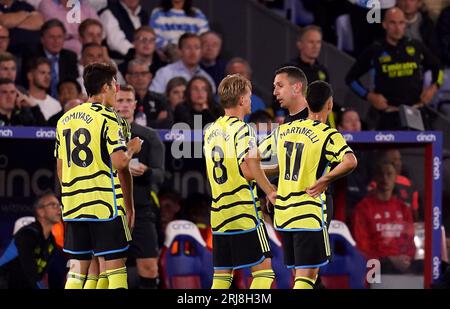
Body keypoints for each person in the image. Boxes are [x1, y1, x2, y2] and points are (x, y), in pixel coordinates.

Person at [259, 80, 357, 289]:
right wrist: (325, 180)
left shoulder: (285, 129)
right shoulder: (328, 134)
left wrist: (268, 188)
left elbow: (251, 161)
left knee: (299, 275)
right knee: (307, 278)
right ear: (329, 105)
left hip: (283, 214)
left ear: (306, 102)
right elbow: (350, 161)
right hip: (308, 212)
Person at [55, 62, 142, 289]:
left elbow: (61, 169)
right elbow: (120, 162)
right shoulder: (108, 118)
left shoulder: (65, 119)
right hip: (104, 205)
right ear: (105, 87)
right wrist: (132, 148)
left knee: (77, 271)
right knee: (115, 267)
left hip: (73, 206)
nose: (117, 90)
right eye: (115, 85)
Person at [203, 74, 277, 289]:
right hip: (243, 209)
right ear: (243, 99)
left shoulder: (211, 131)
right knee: (264, 273)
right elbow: (247, 170)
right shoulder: (243, 129)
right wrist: (271, 184)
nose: (251, 101)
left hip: (219, 211)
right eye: (250, 96)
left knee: (222, 275)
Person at [345, 7, 443, 130]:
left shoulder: (416, 46)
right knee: (390, 149)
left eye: (401, 23)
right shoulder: (375, 50)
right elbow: (350, 79)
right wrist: (369, 96)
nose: (397, 28)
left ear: (405, 24)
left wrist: (433, 89)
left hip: (416, 111)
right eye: (393, 23)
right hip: (387, 114)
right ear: (384, 25)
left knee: (428, 146)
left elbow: (438, 68)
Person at [115, 84, 165, 289]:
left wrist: (147, 171)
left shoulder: (149, 136)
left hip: (142, 210)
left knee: (149, 268)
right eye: (120, 100)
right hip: (111, 209)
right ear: (112, 103)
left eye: (128, 101)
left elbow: (161, 175)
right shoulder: (103, 134)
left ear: (136, 104)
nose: (124, 105)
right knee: (110, 268)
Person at [352, 160, 416, 274]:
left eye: (389, 174)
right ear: (375, 178)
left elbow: (410, 242)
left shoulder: (403, 209)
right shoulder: (363, 208)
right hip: (373, 267)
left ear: (395, 176)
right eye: (381, 174)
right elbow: (362, 246)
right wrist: (388, 260)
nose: (385, 178)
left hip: (402, 267)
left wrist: (406, 259)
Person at [0, 191, 61, 289]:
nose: (59, 208)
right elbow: (31, 275)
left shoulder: (51, 243)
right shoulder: (26, 235)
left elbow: (42, 276)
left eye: (59, 205)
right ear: (40, 211)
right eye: (53, 205)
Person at [150, 32, 216, 95]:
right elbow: (154, 97)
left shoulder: (206, 78)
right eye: (188, 47)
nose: (193, 52)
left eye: (197, 48)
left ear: (201, 51)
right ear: (180, 50)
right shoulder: (165, 73)